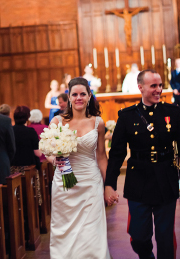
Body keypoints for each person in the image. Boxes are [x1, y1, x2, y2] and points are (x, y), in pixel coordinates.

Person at [105, 69, 180, 259]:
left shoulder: (172, 113)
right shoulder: (127, 116)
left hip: (166, 180)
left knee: (165, 237)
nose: (158, 90)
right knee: (139, 236)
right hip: (138, 181)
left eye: (160, 85)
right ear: (140, 87)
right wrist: (109, 184)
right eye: (153, 86)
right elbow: (116, 154)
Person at [48, 78, 110, 258]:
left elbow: (101, 156)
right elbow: (47, 151)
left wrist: (108, 185)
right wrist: (55, 159)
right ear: (69, 97)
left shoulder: (98, 122)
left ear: (89, 96)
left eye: (83, 94)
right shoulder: (57, 122)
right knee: (65, 232)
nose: (79, 98)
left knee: (91, 233)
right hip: (64, 184)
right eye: (74, 94)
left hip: (91, 182)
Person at [10, 106, 41, 173]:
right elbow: (38, 153)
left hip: (13, 169)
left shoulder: (10, 131)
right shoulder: (31, 131)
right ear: (27, 117)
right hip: (28, 169)